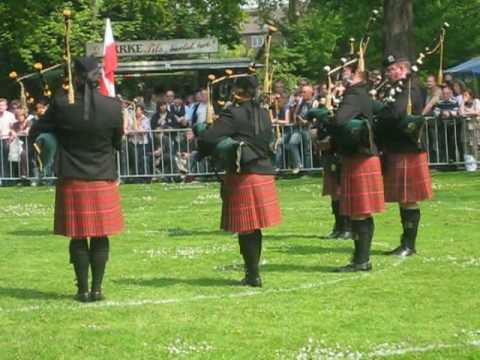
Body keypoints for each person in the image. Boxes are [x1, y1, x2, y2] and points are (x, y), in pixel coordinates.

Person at [29, 56, 124, 302]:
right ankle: (97, 289)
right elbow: (117, 143)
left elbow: (36, 130)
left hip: (71, 176)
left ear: (77, 77)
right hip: (102, 174)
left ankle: (82, 290)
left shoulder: (61, 104)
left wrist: (52, 139)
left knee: (78, 235)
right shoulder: (113, 106)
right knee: (101, 235)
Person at [198, 75, 281, 287]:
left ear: (238, 91)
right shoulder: (264, 113)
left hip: (245, 174)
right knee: (253, 228)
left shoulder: (233, 113)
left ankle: (253, 275)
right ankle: (252, 273)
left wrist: (203, 131)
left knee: (246, 228)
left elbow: (208, 137)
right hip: (263, 171)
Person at [329, 65, 384, 271]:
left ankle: (362, 261)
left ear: (357, 76)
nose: (343, 75)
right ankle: (361, 259)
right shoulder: (362, 94)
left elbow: (340, 120)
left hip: (359, 157)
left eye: (346, 73)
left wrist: (326, 121)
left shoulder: (353, 95)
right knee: (362, 211)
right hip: (364, 155)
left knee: (359, 212)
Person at [377, 55, 432, 257]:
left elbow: (396, 114)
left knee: (409, 198)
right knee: (403, 198)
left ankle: (409, 245)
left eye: (391, 69)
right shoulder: (398, 88)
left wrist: (378, 115)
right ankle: (405, 242)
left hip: (407, 148)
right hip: (398, 148)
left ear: (402, 69)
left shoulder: (411, 89)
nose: (387, 73)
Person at [0, 98, 16, 181]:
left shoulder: (10, 115)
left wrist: (12, 135)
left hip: (7, 140)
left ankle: (8, 179)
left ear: (6, 106)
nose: (0, 107)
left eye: (2, 105)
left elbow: (13, 128)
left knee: (7, 160)